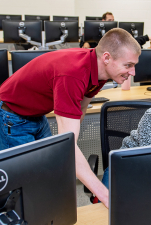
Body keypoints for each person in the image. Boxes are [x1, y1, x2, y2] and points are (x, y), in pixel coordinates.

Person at [0, 28, 141, 208]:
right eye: (128, 65)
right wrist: (106, 196)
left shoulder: (100, 71)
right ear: (107, 58)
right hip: (11, 116)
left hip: (37, 114)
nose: (133, 72)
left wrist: (71, 145)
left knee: (51, 171)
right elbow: (68, 146)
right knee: (25, 188)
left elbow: (81, 109)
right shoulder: (73, 74)